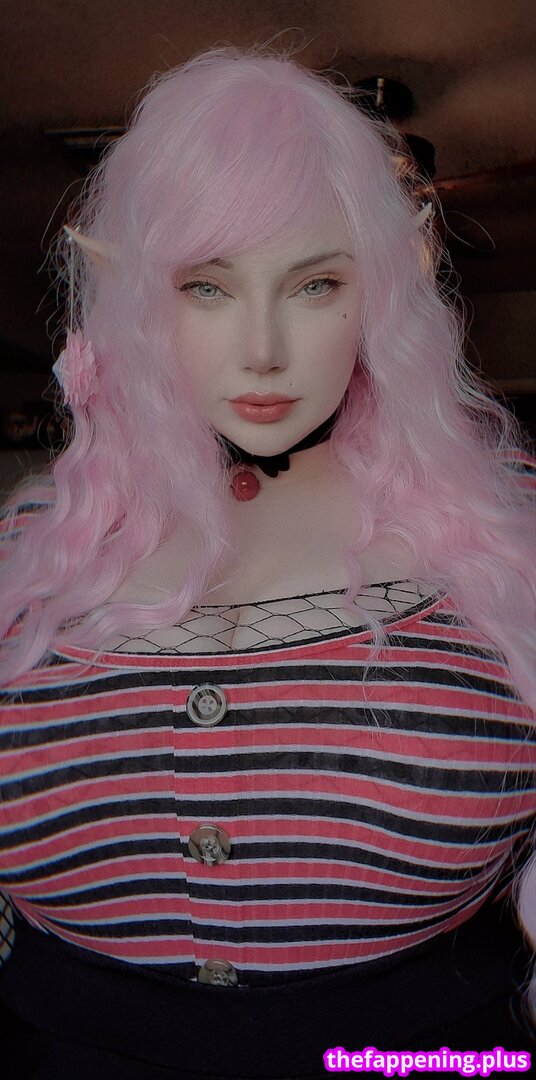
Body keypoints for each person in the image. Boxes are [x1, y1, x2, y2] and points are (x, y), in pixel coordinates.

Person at [0, 42, 535, 1080]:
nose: (262, 349)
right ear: (131, 296)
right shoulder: (31, 552)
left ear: (386, 285)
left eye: (314, 283)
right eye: (205, 288)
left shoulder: (504, 531)